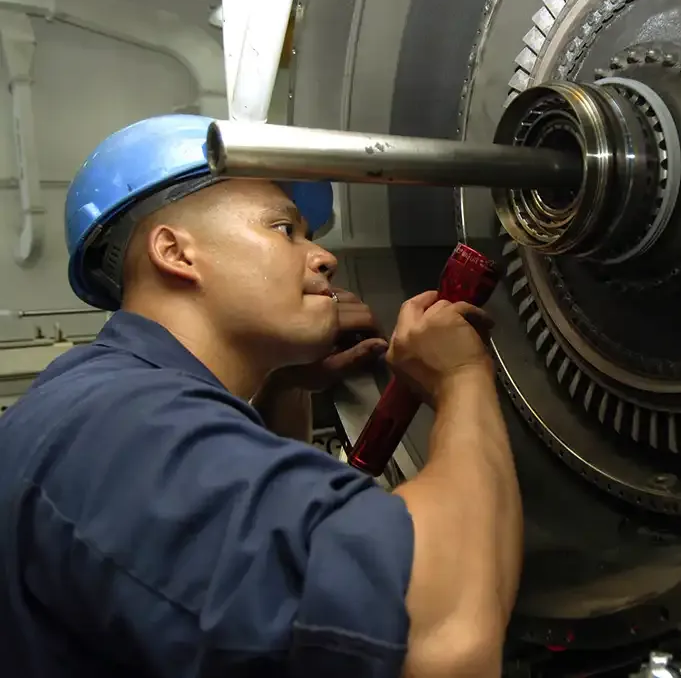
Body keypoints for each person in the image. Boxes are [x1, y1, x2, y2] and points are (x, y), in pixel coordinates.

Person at [0, 114, 523, 678]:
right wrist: (462, 379)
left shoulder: (106, 394)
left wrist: (281, 381)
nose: (324, 258)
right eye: (284, 230)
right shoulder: (126, 428)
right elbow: (444, 636)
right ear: (176, 253)